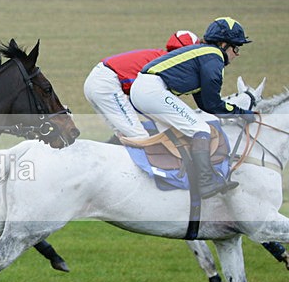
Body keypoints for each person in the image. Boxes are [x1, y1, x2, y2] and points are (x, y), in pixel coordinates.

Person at [130, 17, 256, 199]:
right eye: (236, 47)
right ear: (223, 44)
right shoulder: (214, 57)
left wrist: (236, 112)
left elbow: (205, 104)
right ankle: (205, 183)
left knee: (182, 133)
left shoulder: (203, 55)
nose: (237, 53)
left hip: (144, 89)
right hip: (151, 90)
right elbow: (213, 103)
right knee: (200, 129)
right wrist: (242, 113)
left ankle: (180, 181)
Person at [83, 31, 198, 139]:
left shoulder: (159, 55)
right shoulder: (170, 66)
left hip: (96, 81)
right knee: (140, 137)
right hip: (107, 84)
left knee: (123, 135)